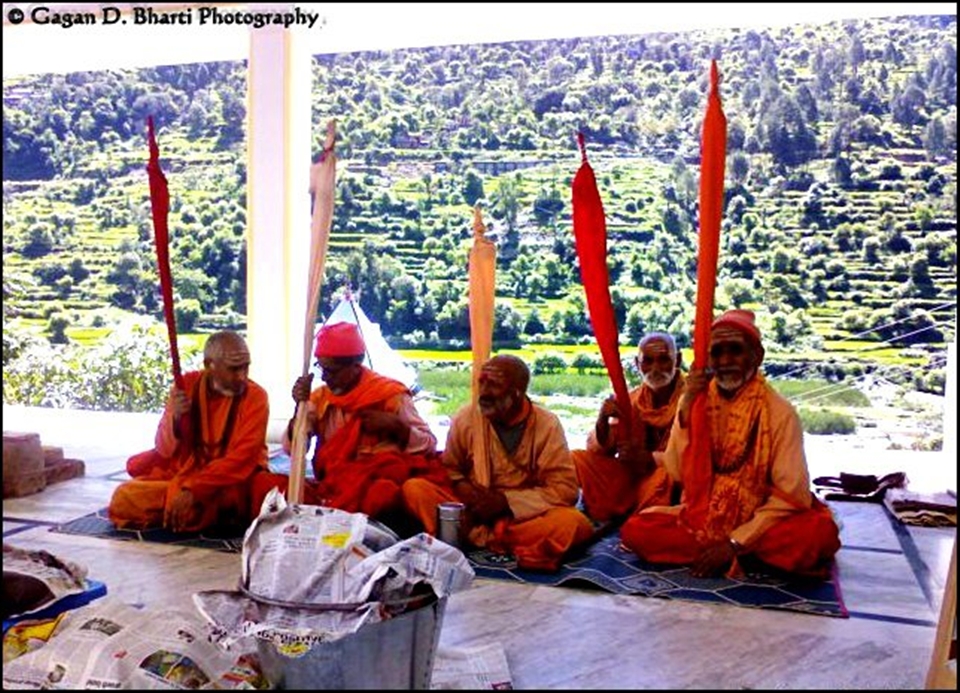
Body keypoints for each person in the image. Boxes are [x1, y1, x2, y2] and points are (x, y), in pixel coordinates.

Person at [619, 310, 841, 578]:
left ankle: (733, 553)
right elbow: (677, 471)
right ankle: (747, 559)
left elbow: (792, 496)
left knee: (817, 535)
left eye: (735, 351)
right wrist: (686, 407)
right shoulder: (698, 403)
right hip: (704, 519)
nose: (725, 361)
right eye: (717, 352)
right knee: (636, 530)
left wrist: (735, 542)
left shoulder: (779, 412)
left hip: (762, 522)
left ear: (756, 356)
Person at [402, 354, 595, 571]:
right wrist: (472, 499)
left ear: (516, 393)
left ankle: (484, 538)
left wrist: (506, 502)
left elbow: (565, 490)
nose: (483, 393)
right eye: (481, 383)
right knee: (415, 489)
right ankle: (485, 536)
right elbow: (451, 470)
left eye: (493, 385)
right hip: (473, 512)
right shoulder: (466, 417)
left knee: (574, 524)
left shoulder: (547, 424)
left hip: (522, 518)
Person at [249, 322, 448, 527]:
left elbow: (430, 445)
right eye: (321, 368)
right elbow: (294, 451)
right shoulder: (320, 398)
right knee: (264, 484)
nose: (325, 377)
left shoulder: (390, 395)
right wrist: (298, 410)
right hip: (330, 488)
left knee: (382, 493)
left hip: (369, 487)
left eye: (332, 371)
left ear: (355, 365)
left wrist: (398, 428)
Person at [108, 331, 269, 533]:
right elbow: (164, 449)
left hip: (228, 482)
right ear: (209, 365)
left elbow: (242, 458)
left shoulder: (256, 396)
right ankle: (186, 510)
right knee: (123, 496)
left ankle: (190, 510)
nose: (242, 376)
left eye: (246, 367)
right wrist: (175, 418)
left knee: (239, 497)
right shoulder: (186, 386)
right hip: (185, 476)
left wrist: (195, 490)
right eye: (234, 369)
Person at [572, 332, 685, 523]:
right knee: (577, 458)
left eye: (663, 360)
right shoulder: (631, 400)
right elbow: (598, 450)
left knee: (662, 478)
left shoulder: (691, 400)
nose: (655, 368)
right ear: (637, 364)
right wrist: (602, 420)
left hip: (670, 481)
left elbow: (695, 458)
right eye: (647, 361)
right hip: (632, 480)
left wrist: (650, 459)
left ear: (678, 360)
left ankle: (641, 518)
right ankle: (629, 513)